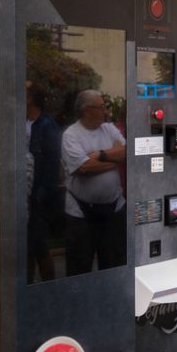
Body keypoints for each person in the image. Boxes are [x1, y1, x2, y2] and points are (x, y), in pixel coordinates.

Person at [61, 89, 126, 275]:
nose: (105, 111)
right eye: (101, 107)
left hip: (114, 210)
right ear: (86, 110)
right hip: (80, 214)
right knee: (79, 270)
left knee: (114, 267)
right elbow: (84, 168)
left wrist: (100, 155)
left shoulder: (109, 128)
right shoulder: (71, 135)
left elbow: (128, 152)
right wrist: (114, 161)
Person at [26, 82, 60, 283]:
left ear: (30, 98)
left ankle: (49, 287)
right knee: (26, 245)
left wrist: (41, 194)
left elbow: (52, 162)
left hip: (38, 196)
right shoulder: (20, 122)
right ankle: (27, 285)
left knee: (38, 244)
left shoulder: (47, 126)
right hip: (24, 192)